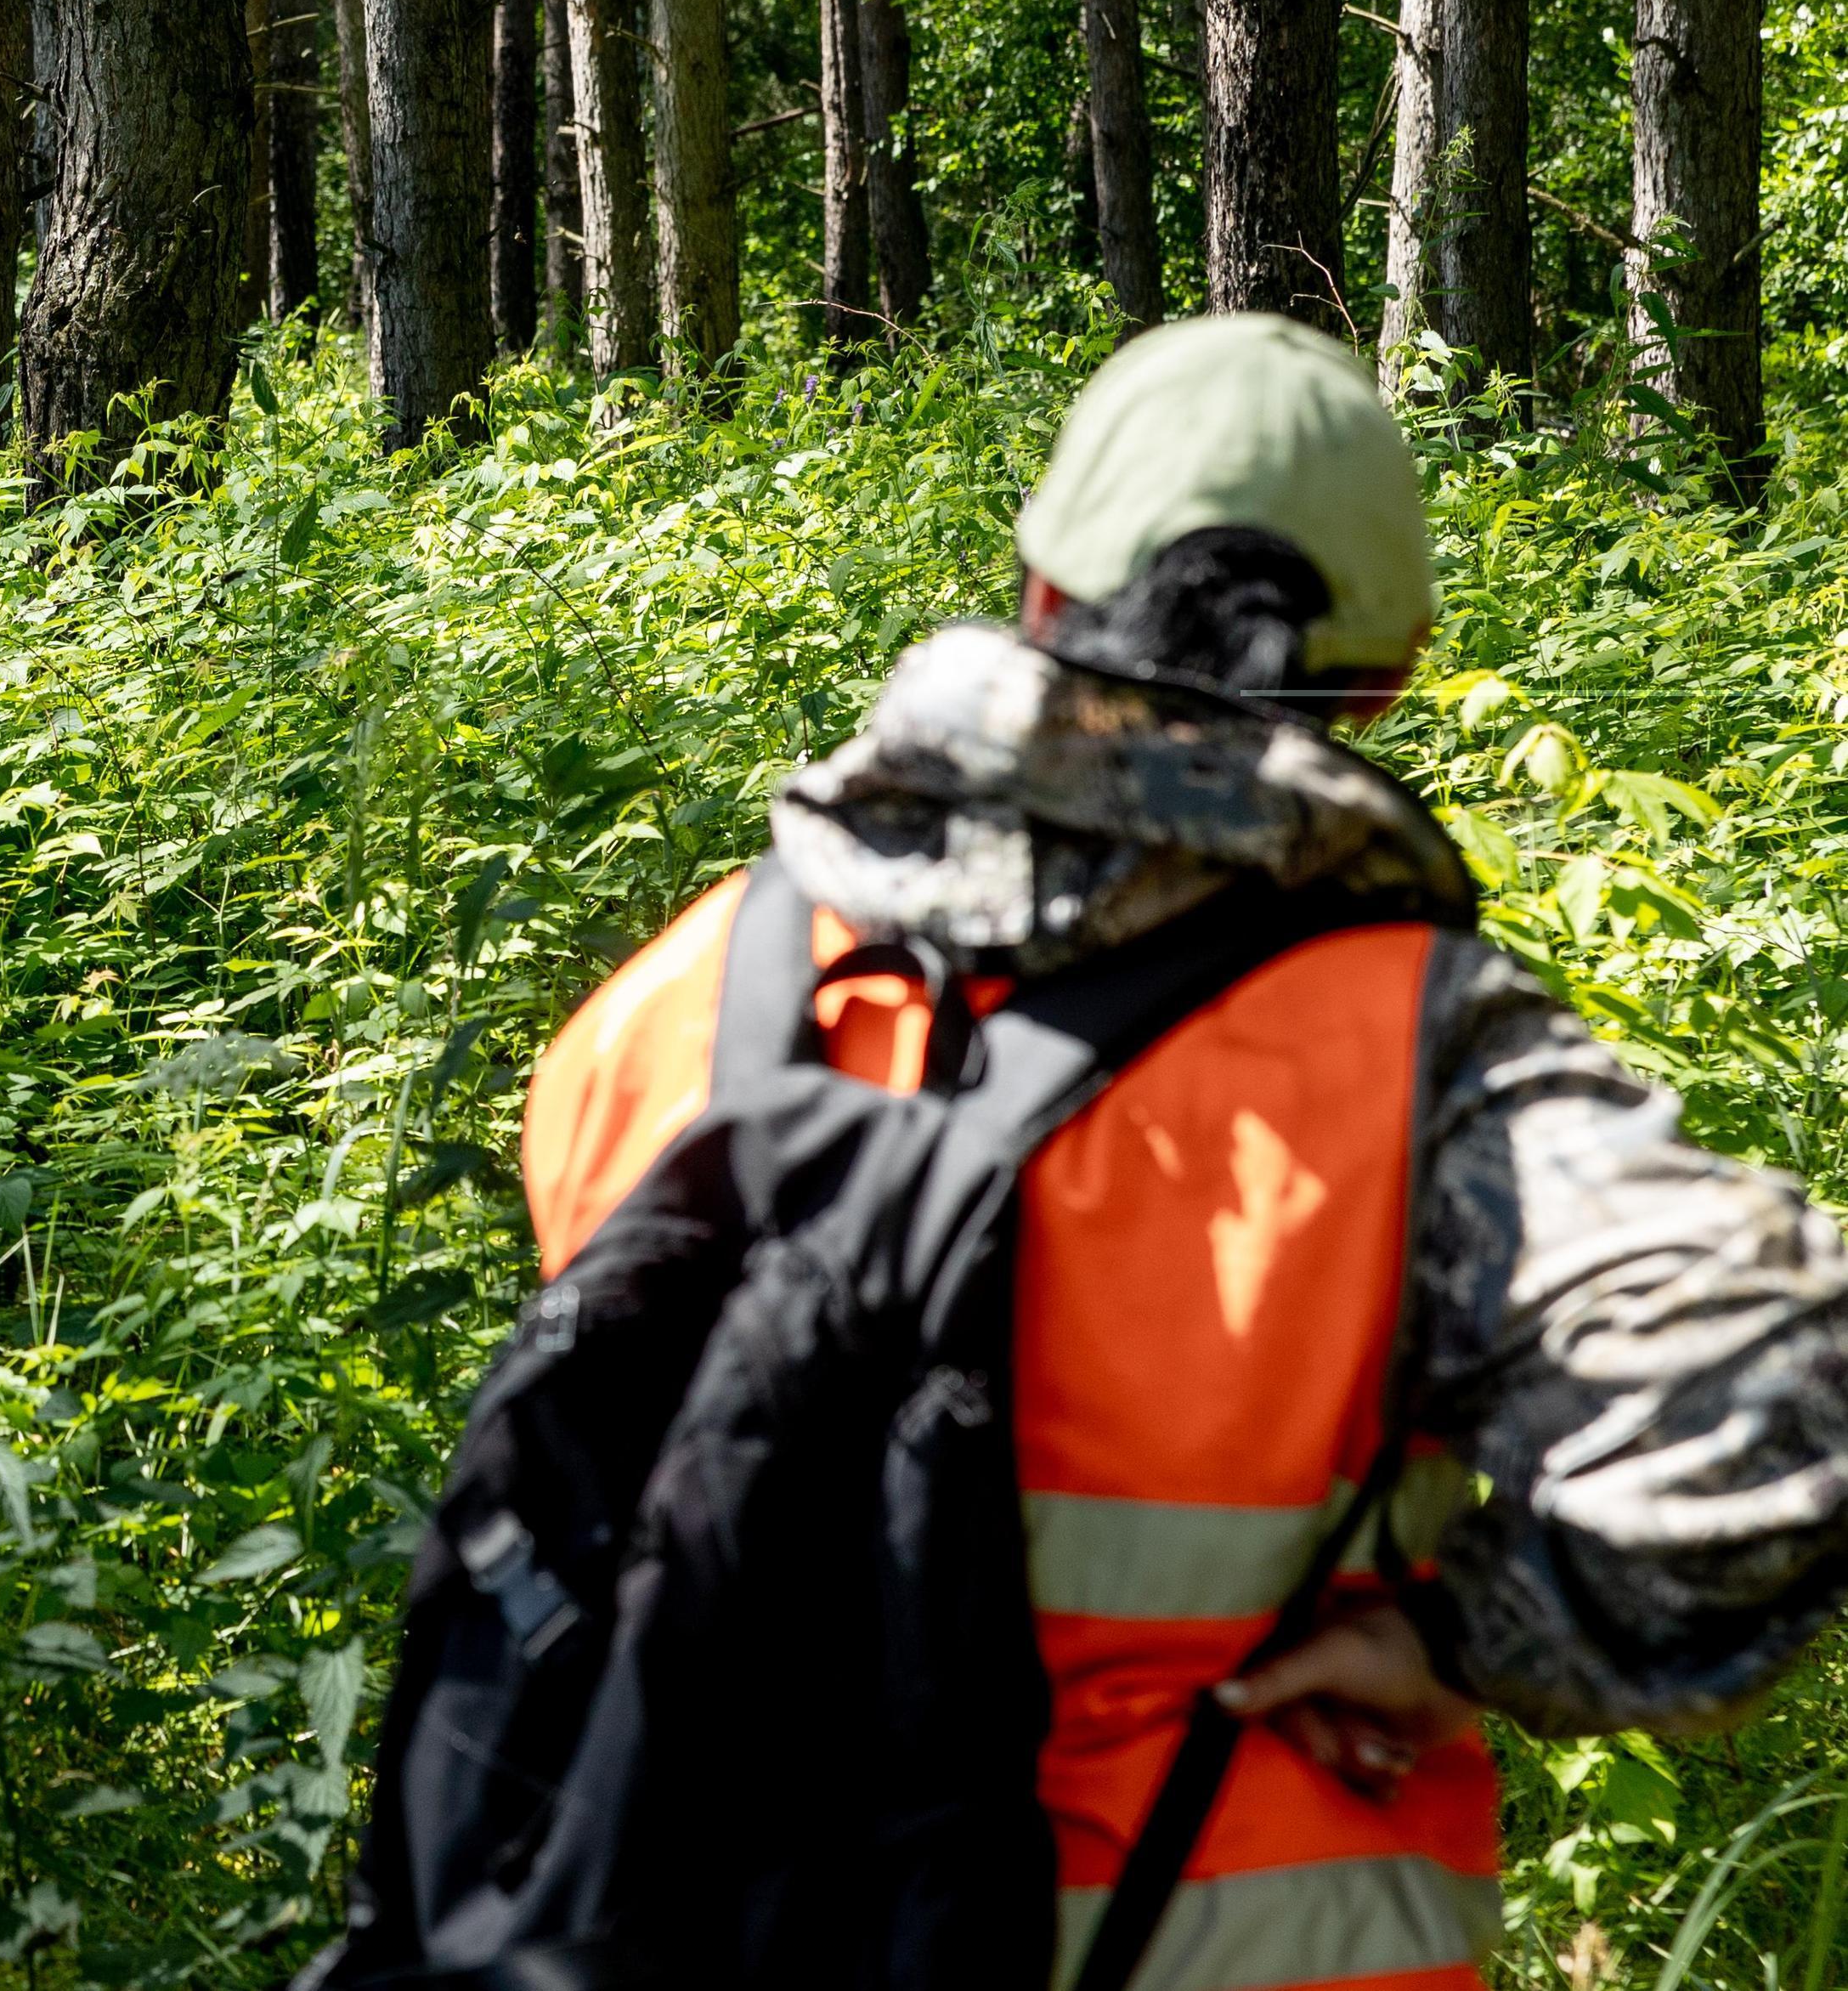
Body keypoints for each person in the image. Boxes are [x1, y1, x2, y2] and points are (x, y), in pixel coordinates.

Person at [501, 314, 1848, 1988]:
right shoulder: (1417, 1057)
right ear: (1389, 673)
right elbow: (1779, 1385)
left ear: (1037, 591)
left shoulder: (669, 999)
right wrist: (1461, 1636)